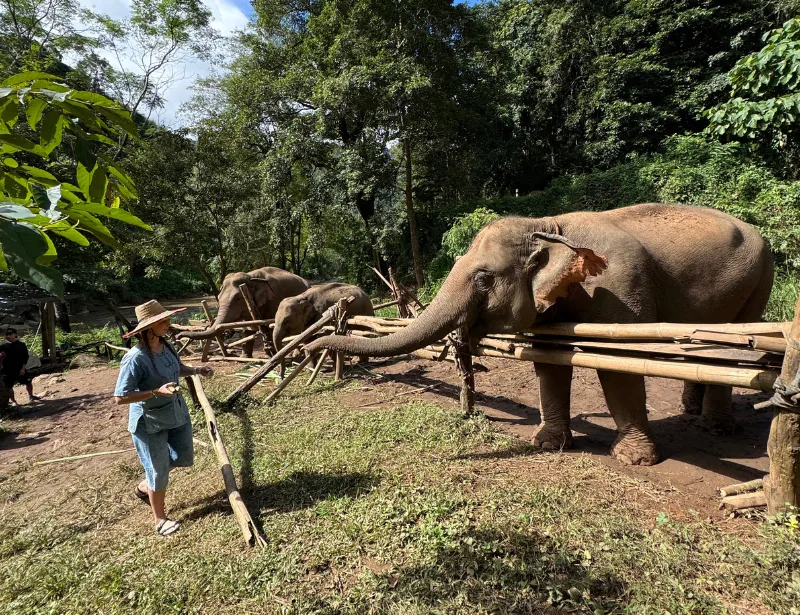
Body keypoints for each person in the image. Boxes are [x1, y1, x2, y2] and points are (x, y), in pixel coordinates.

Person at [113, 300, 213, 537]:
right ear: (149, 327)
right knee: (158, 470)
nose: (168, 325)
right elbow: (120, 397)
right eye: (163, 321)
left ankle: (144, 486)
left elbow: (176, 369)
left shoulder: (166, 346)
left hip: (175, 411)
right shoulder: (135, 358)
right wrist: (156, 392)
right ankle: (159, 519)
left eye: (167, 320)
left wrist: (198, 370)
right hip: (150, 422)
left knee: (184, 456)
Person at [0, 328, 38, 406]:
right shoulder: (3, 346)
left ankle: (31, 396)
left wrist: (23, 368)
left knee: (28, 382)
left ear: (15, 335)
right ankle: (14, 401)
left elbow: (25, 357)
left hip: (20, 368)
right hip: (8, 370)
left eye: (10, 334)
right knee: (9, 386)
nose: (9, 336)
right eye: (7, 334)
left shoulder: (21, 345)